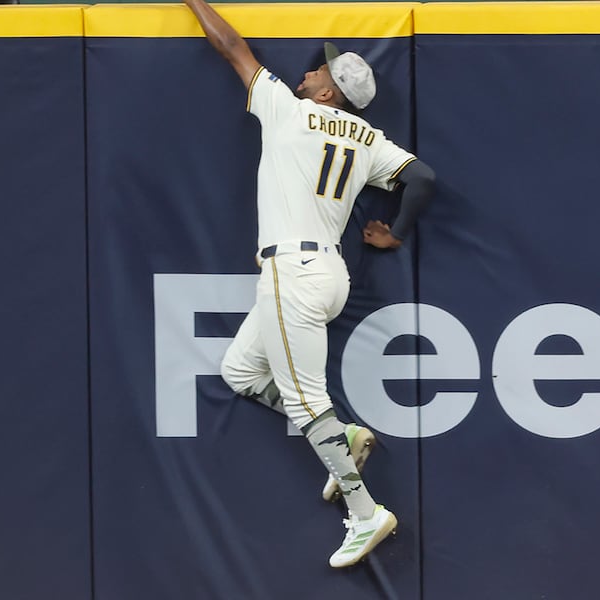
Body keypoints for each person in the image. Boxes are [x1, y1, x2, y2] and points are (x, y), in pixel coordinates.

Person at [182, 0, 436, 568]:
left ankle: (366, 511)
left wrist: (197, 3)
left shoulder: (291, 112)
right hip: (328, 272)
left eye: (318, 71)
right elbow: (421, 178)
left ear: (328, 93)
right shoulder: (368, 137)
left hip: (292, 276)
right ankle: (341, 438)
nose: (307, 73)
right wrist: (394, 235)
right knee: (240, 371)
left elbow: (233, 50)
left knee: (304, 398)